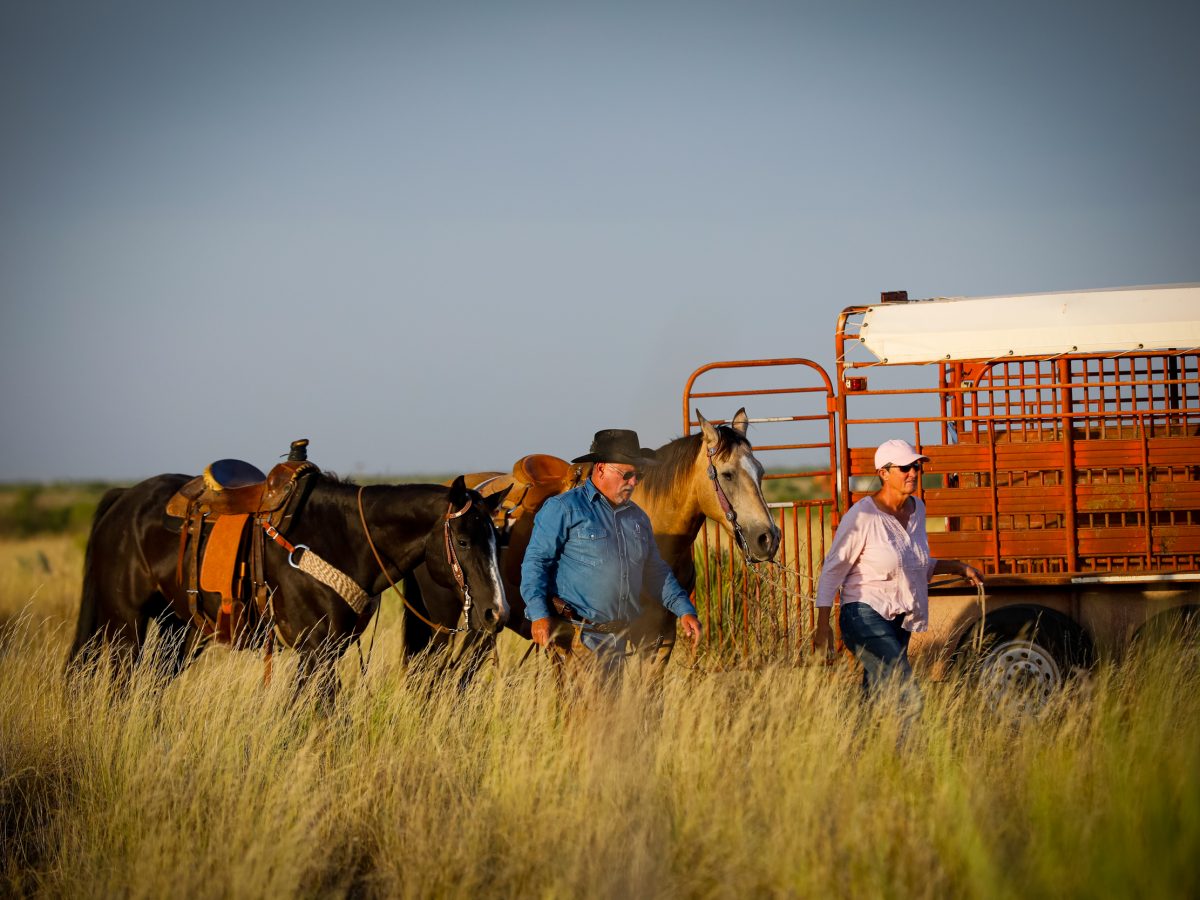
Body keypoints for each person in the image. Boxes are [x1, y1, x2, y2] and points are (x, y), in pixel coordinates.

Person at [521, 428, 703, 688]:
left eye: (638, 475)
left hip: (620, 637)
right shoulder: (563, 509)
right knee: (591, 719)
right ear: (601, 469)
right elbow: (536, 563)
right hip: (579, 637)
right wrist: (539, 615)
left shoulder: (637, 518)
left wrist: (684, 609)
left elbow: (655, 571)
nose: (633, 482)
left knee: (611, 720)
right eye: (626, 474)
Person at [814, 439, 983, 709]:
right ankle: (914, 750)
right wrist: (823, 626)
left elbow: (916, 564)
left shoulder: (918, 509)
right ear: (883, 473)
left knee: (877, 697)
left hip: (899, 619)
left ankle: (860, 747)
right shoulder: (861, 517)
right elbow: (832, 572)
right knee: (908, 695)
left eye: (916, 466)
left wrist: (958, 567)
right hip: (863, 615)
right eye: (904, 467)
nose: (913, 473)